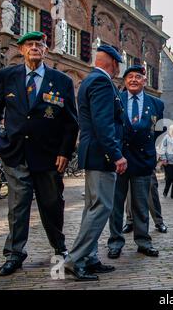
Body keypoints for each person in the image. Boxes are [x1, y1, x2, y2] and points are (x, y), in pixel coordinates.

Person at [0, 31, 79, 276]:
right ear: (22, 49)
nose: (35, 48)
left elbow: (71, 122)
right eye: (30, 44)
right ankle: (14, 254)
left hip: (49, 157)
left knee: (52, 205)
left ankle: (60, 249)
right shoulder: (8, 76)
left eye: (39, 44)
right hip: (15, 155)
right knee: (18, 206)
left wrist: (65, 152)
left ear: (46, 50)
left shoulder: (62, 81)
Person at [64, 44, 127, 281]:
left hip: (95, 153)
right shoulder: (101, 82)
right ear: (112, 62)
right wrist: (116, 154)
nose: (119, 68)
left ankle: (89, 258)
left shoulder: (90, 80)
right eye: (118, 64)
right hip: (102, 154)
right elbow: (103, 124)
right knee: (102, 207)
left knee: (92, 207)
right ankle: (75, 259)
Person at [107, 64, 163, 259]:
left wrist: (151, 154)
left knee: (140, 204)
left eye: (137, 77)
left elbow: (158, 131)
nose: (133, 80)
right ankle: (115, 242)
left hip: (142, 161)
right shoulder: (116, 100)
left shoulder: (156, 104)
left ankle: (143, 241)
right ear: (124, 81)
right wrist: (115, 155)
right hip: (119, 160)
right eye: (129, 77)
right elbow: (111, 128)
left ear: (144, 81)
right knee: (116, 205)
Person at [160, 124, 173, 199]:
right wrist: (164, 158)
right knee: (169, 177)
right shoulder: (167, 137)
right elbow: (162, 148)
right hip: (168, 161)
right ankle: (165, 191)